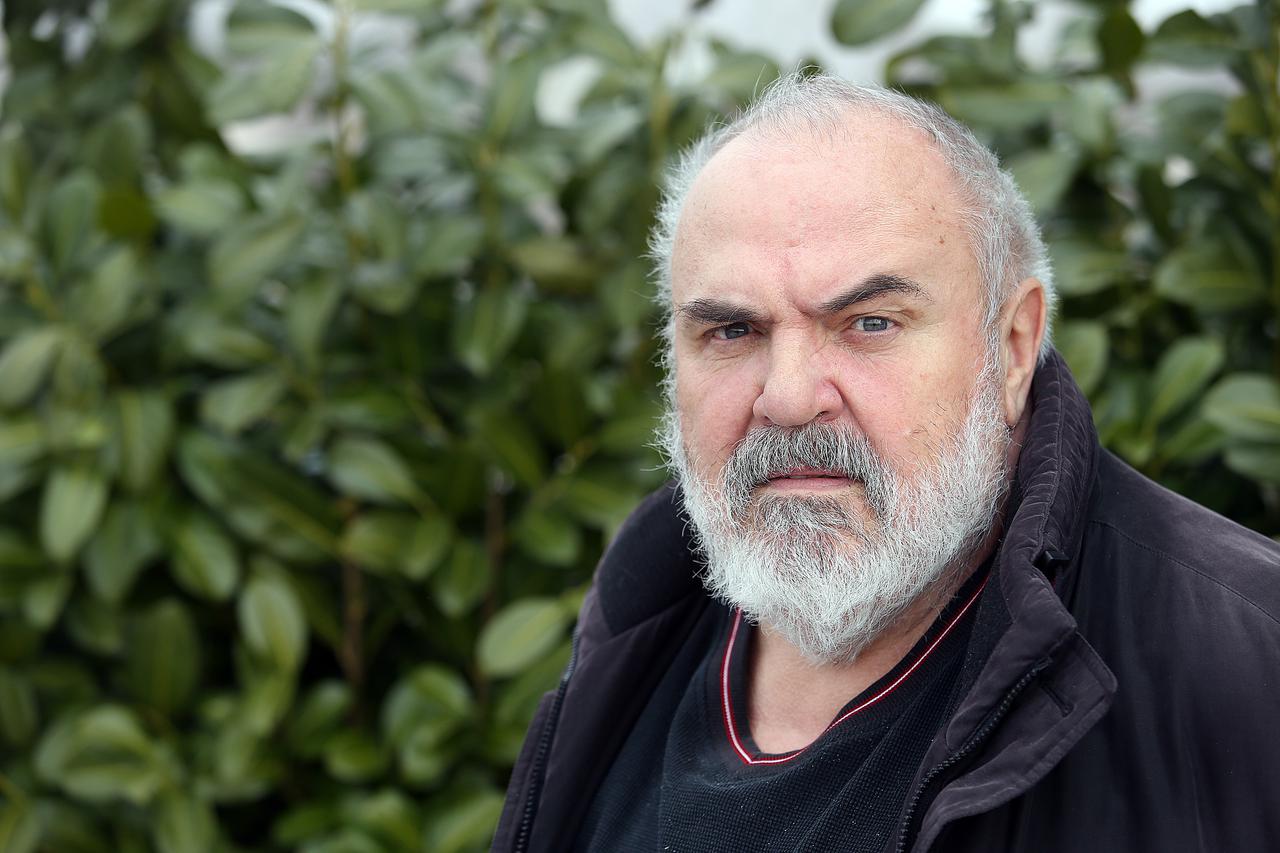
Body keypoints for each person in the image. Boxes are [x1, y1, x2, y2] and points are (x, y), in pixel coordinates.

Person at [492, 73, 1280, 852]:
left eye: (869, 322)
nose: (788, 398)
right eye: (732, 331)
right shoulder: (632, 630)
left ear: (1012, 348)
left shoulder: (1249, 664)